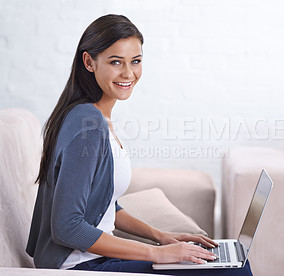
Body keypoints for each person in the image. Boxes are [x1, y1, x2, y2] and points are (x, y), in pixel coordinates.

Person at [26, 14, 252, 275]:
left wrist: (161, 236)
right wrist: (157, 252)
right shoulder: (86, 123)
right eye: (115, 62)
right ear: (89, 62)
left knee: (233, 264)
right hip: (81, 265)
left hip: (95, 259)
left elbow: (102, 205)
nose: (128, 73)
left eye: (135, 61)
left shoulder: (96, 117)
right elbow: (67, 226)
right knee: (235, 270)